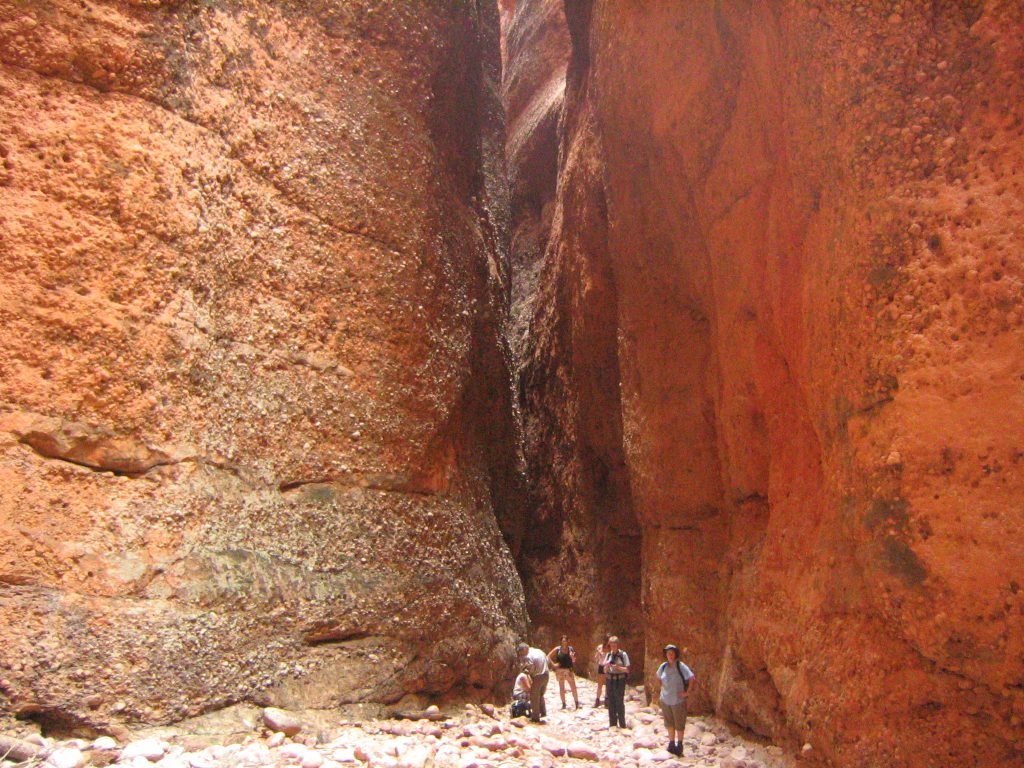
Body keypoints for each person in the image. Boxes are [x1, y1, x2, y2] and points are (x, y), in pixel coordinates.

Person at [656, 644, 695, 755]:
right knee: (669, 723)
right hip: (665, 700)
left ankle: (680, 744)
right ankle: (671, 743)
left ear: (675, 654)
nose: (670, 655)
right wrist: (662, 689)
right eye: (668, 653)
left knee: (679, 723)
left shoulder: (680, 666)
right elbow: (658, 677)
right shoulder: (663, 666)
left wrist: (687, 692)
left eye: (672, 653)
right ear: (666, 655)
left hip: (678, 701)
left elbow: (692, 678)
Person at [516, 642, 549, 722]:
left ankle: (535, 718)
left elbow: (530, 668)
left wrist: (526, 672)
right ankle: (543, 712)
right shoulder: (538, 650)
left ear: (524, 649)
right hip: (546, 674)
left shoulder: (528, 656)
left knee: (534, 696)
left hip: (538, 676)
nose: (521, 655)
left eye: (521, 652)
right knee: (540, 694)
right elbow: (547, 659)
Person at [602, 635, 630, 728]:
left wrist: (617, 667)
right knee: (611, 701)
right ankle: (612, 724)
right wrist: (606, 667)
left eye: (614, 645)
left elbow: (627, 669)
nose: (613, 647)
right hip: (610, 680)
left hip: (620, 680)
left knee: (619, 702)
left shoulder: (623, 655)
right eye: (611, 645)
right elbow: (604, 670)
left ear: (618, 645)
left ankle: (622, 724)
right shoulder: (608, 655)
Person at [547, 635, 580, 709]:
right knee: (562, 687)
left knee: (573, 687)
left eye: (565, 641)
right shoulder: (557, 649)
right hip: (560, 670)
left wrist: (572, 657)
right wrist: (553, 665)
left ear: (568, 641)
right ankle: (564, 704)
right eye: (562, 641)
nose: (564, 642)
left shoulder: (570, 649)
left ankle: (576, 702)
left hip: (568, 670)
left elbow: (574, 660)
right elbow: (548, 656)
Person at [592, 638, 610, 706]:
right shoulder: (600, 647)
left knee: (607, 684)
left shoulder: (611, 648)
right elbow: (596, 657)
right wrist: (598, 653)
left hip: (608, 666)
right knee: (600, 684)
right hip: (601, 666)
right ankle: (597, 699)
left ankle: (606, 699)